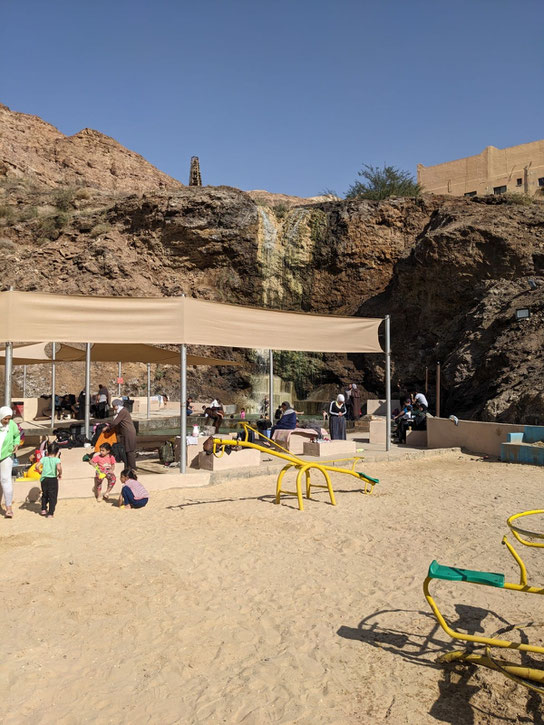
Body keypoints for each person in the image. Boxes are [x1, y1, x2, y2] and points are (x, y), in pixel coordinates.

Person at [105, 399, 138, 471]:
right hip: (126, 433)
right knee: (126, 450)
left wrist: (107, 428)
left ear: (117, 406)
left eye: (114, 406)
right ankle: (128, 467)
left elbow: (115, 422)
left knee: (130, 451)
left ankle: (132, 468)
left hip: (129, 432)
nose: (113, 408)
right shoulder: (121, 411)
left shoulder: (123, 411)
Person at [0, 406, 20, 518]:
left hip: (7, 455)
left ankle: (8, 508)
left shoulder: (12, 425)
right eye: (5, 419)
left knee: (5, 479)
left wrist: (16, 444)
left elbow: (17, 435)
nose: (7, 421)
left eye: (9, 418)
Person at [38, 441, 62, 517]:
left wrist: (40, 471)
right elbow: (58, 468)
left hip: (44, 479)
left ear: (47, 451)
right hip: (52, 479)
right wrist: (60, 473)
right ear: (57, 452)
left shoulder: (44, 459)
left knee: (45, 494)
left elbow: (36, 466)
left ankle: (43, 509)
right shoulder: (57, 460)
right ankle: (50, 513)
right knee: (53, 496)